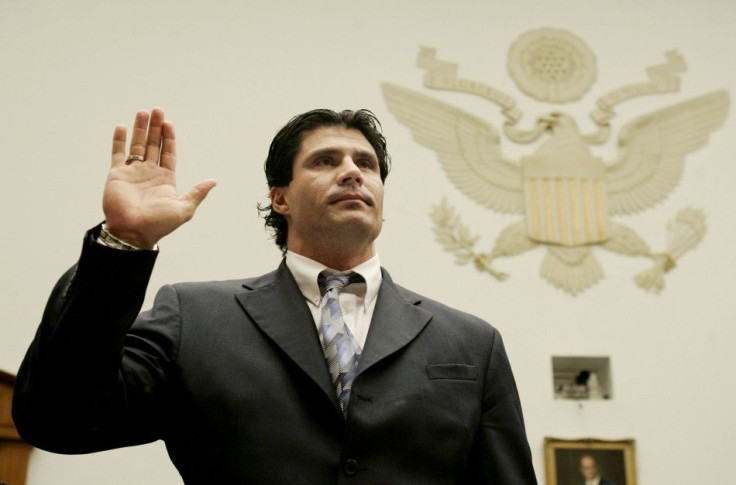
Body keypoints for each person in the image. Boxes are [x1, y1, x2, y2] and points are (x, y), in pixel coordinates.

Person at [13, 107, 537, 484]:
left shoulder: (471, 343)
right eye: (326, 160)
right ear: (279, 198)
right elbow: (59, 420)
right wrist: (124, 243)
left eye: (366, 164)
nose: (353, 170)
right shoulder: (195, 318)